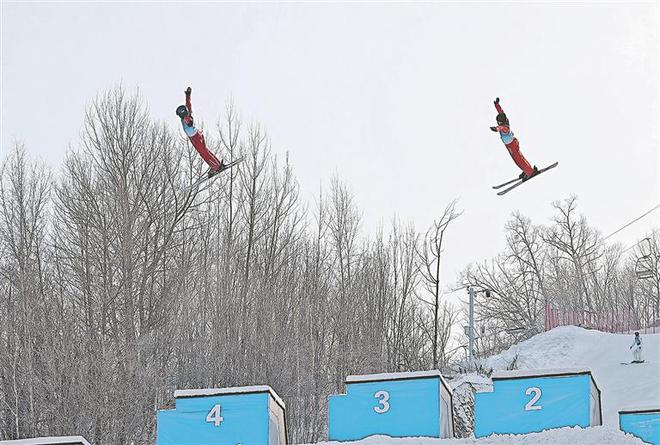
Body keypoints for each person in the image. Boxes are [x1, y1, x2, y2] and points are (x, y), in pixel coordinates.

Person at [176, 87, 224, 177]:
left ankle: (216, 166)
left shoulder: (186, 118)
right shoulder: (188, 112)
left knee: (203, 153)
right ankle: (216, 164)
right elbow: (188, 104)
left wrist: (189, 122)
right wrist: (188, 95)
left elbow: (189, 122)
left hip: (195, 138)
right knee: (205, 151)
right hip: (198, 134)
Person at [490, 97, 538, 180]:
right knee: (518, 159)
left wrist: (496, 128)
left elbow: (501, 128)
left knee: (519, 160)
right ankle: (526, 170)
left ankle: (530, 172)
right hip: (510, 145)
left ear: (500, 123)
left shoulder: (505, 127)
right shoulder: (504, 118)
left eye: (498, 123)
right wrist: (497, 105)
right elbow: (500, 112)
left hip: (512, 145)